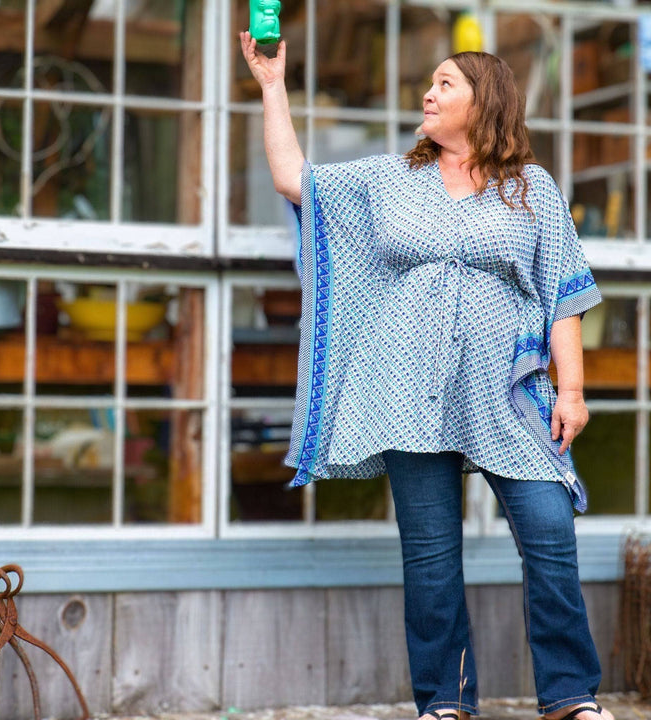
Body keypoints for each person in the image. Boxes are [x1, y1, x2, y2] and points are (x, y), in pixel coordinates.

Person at [240, 30, 615, 720]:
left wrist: (572, 390)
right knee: (432, 556)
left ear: (485, 102)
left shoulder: (531, 188)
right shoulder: (390, 179)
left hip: (508, 391)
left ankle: (569, 696)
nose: (428, 93)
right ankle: (444, 701)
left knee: (549, 530)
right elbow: (295, 179)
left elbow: (564, 294)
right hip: (405, 388)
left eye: (445, 84)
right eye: (430, 83)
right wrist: (271, 86)